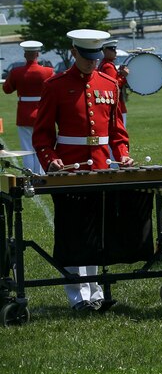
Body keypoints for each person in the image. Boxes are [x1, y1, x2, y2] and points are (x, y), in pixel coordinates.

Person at [33, 29, 132, 311]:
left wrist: (123, 155)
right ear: (74, 52)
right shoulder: (56, 85)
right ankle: (77, 295)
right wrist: (50, 159)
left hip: (101, 167)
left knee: (96, 231)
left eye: (96, 57)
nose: (93, 63)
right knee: (72, 231)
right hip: (69, 168)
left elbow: (117, 133)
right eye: (87, 58)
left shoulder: (109, 84)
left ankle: (97, 290)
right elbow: (41, 135)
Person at [2, 40, 51, 174]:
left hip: (24, 114)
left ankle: (30, 174)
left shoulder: (16, 72)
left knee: (27, 149)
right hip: (42, 113)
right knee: (41, 147)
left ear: (25, 55)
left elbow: (6, 89)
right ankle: (41, 174)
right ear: (38, 54)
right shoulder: (48, 72)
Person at [97, 39, 129, 127]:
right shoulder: (108, 66)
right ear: (104, 51)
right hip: (117, 106)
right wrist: (123, 76)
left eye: (115, 49)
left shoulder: (104, 64)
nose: (115, 52)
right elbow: (114, 85)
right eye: (112, 49)